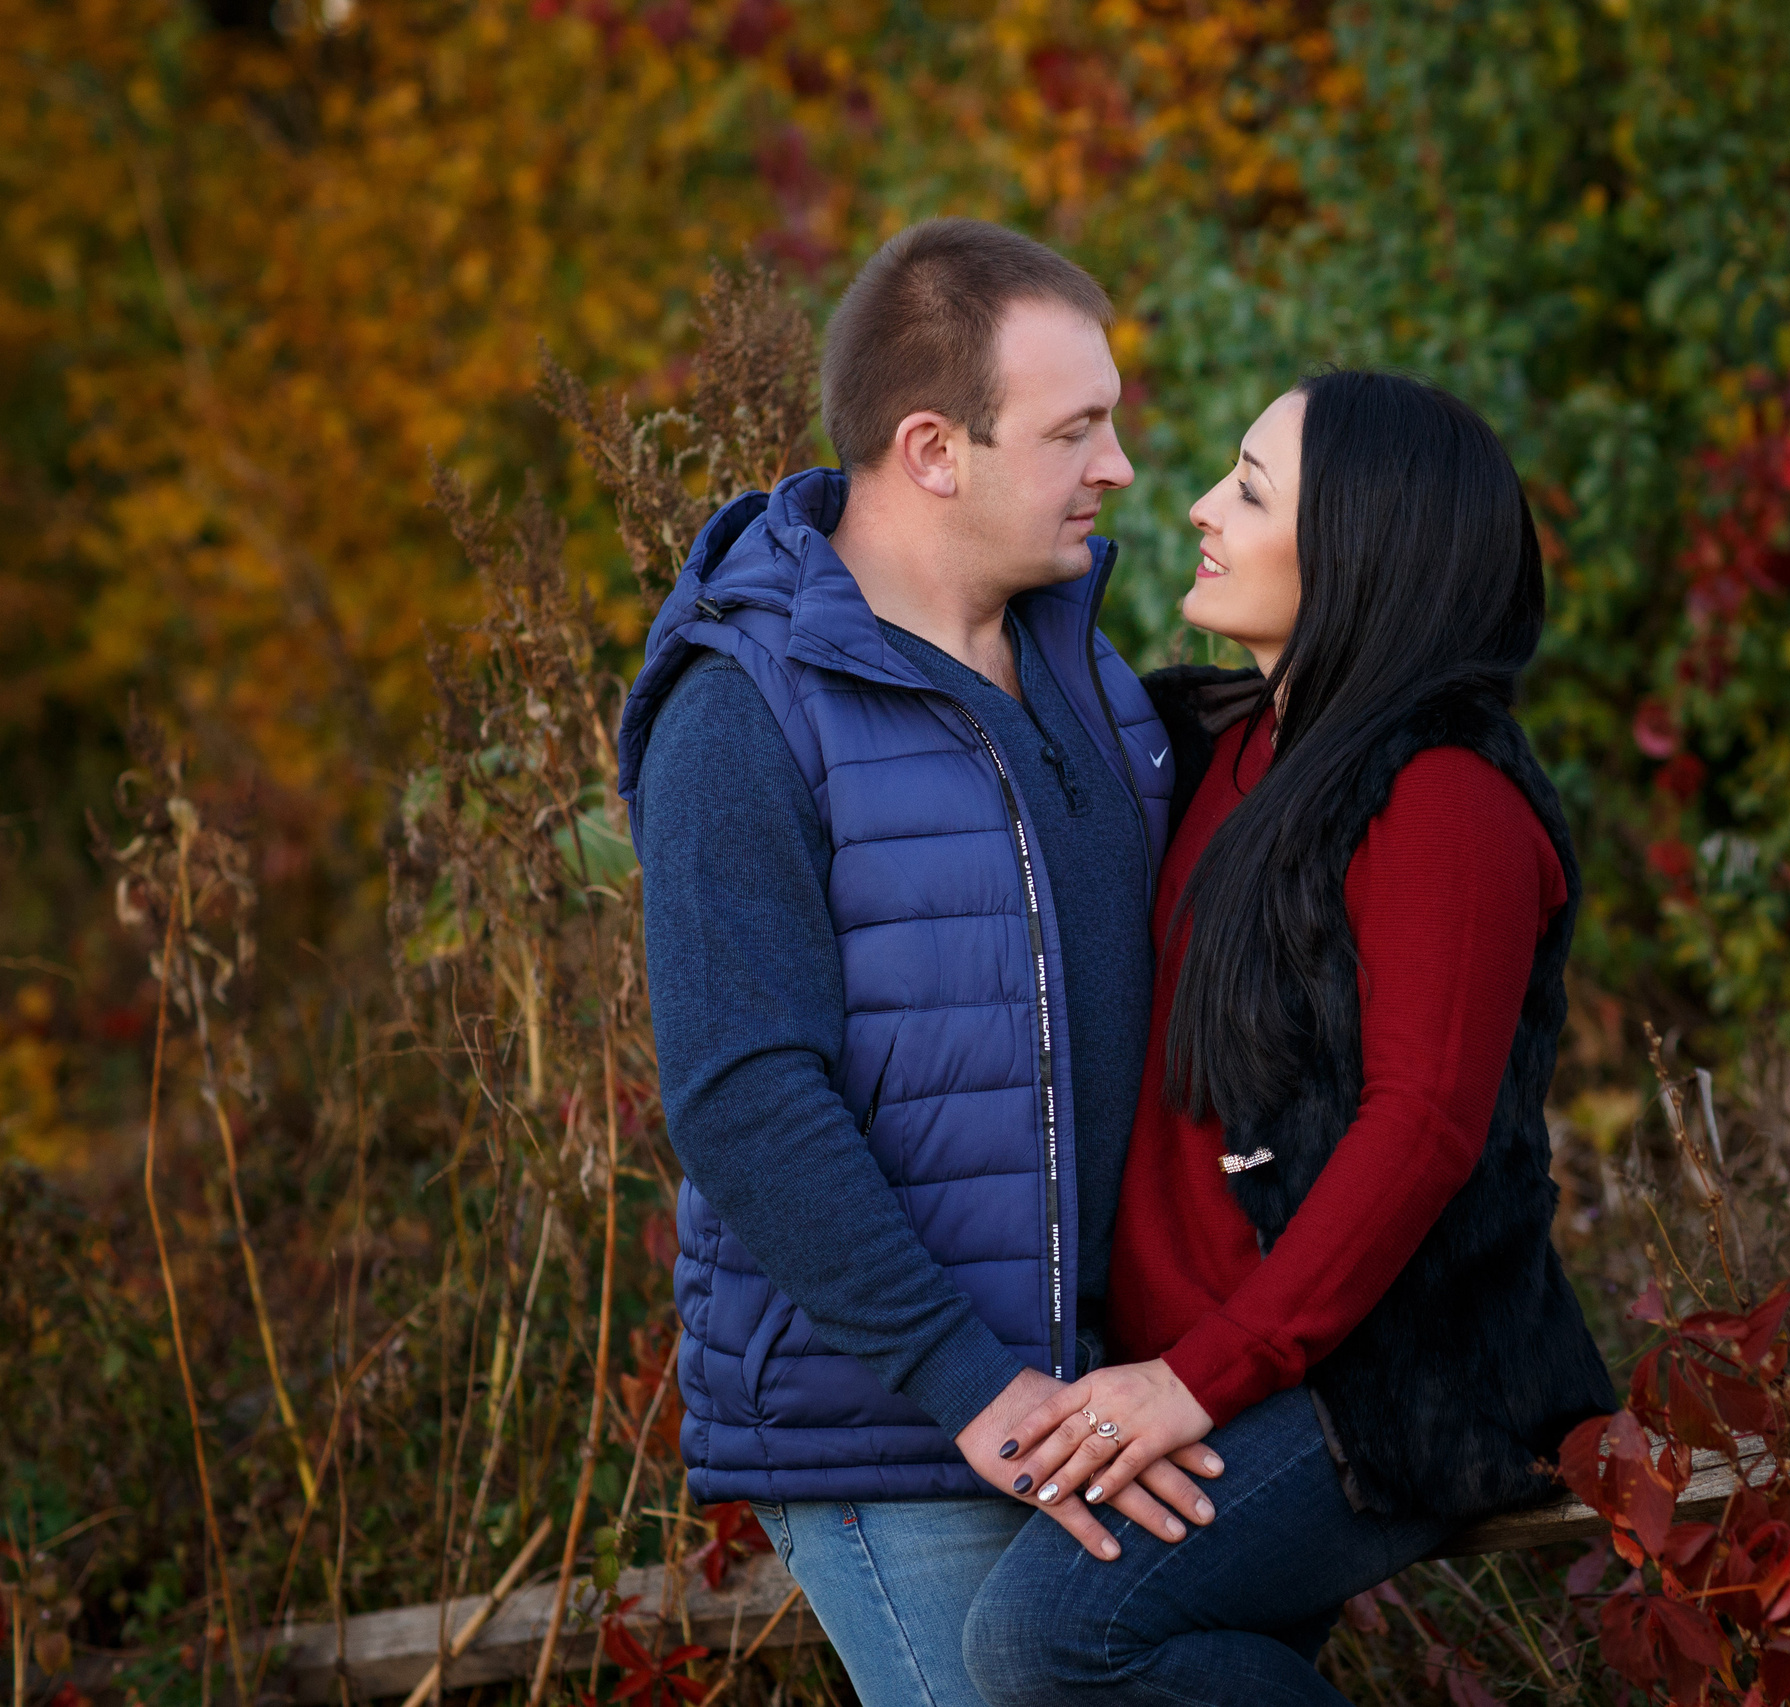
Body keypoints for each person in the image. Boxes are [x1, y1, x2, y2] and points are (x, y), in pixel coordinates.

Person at [617, 218, 1223, 1707]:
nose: (1120, 469)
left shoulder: (1083, 670)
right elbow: (745, 1096)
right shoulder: (746, 710)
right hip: (911, 1428)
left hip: (1108, 1391)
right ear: (935, 449)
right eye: (1076, 429)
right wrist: (969, 1382)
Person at [958, 369, 1618, 1706]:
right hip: (1228, 1366)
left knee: (1044, 1639)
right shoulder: (1220, 746)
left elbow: (1421, 1128)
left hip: (1391, 1383)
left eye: (1249, 490)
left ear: (1363, 549)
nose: (1198, 508)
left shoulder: (1444, 797)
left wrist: (1194, 1387)